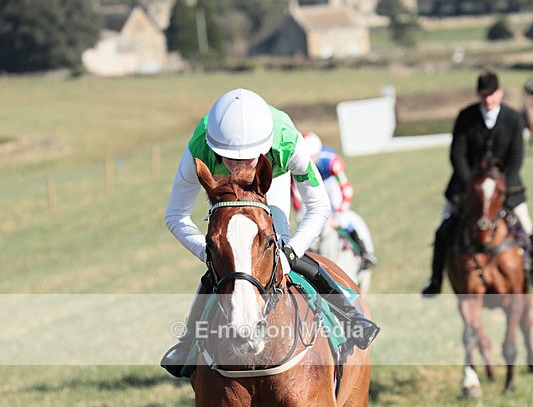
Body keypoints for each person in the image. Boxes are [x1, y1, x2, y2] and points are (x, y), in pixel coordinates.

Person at [161, 88, 379, 377]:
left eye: (248, 159)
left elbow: (318, 205)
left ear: (263, 149)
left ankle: (350, 317)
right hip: (224, 197)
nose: (240, 167)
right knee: (226, 268)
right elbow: (175, 215)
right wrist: (210, 253)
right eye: (230, 159)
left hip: (272, 179)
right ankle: (188, 342)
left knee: (275, 246)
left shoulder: (288, 142)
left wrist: (291, 250)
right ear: (215, 149)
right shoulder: (199, 147)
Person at [421, 69, 533, 296]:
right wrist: (471, 185)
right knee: (442, 230)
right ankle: (435, 281)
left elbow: (516, 157)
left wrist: (500, 186)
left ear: (500, 94)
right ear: (478, 95)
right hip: (466, 189)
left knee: (527, 229)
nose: (488, 100)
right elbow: (457, 154)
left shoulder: (513, 118)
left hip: (506, 188)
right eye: (483, 96)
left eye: (492, 95)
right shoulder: (466, 117)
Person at [295, 132, 377, 270]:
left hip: (330, 188)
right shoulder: (298, 161)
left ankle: (364, 252)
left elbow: (346, 188)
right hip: (312, 184)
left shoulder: (331, 161)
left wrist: (339, 213)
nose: (311, 161)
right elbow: (295, 193)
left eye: (313, 157)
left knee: (343, 221)